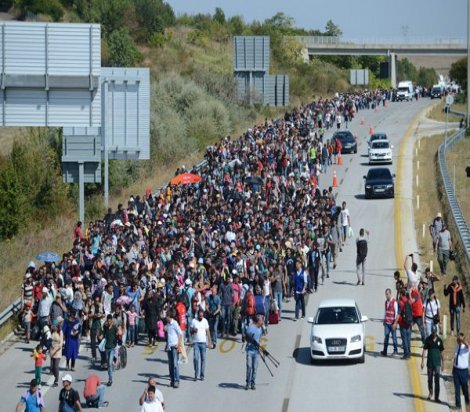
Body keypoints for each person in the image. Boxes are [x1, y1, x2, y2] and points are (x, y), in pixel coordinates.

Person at [421, 325, 444, 403]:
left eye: (435, 332)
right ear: (431, 331)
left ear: (436, 331)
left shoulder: (440, 340)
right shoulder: (428, 339)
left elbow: (441, 352)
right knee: (429, 380)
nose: (434, 333)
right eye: (433, 332)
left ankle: (437, 397)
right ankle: (430, 393)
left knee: (437, 380)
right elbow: (424, 350)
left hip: (437, 363)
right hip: (430, 363)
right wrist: (422, 362)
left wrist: (443, 363)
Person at [190, 309, 212, 381]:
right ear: (197, 315)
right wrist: (193, 330)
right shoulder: (194, 321)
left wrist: (209, 342)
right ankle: (196, 374)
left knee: (203, 359)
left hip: (203, 343)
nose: (200, 317)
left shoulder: (205, 321)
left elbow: (208, 332)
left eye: (202, 316)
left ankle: (202, 375)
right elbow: (190, 331)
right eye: (199, 316)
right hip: (196, 343)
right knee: (195, 359)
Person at [244, 314, 264, 390]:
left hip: (256, 351)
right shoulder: (250, 328)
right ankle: (247, 383)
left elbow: (260, 338)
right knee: (249, 367)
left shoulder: (260, 329)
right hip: (249, 350)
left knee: (255, 368)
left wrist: (261, 347)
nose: (262, 322)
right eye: (262, 320)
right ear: (258, 321)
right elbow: (246, 338)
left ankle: (253, 383)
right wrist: (250, 341)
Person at [165, 308, 183, 388]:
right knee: (170, 365)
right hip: (169, 346)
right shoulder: (168, 324)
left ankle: (177, 380)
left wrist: (178, 344)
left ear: (169, 316)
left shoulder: (174, 323)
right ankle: (172, 380)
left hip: (174, 346)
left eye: (166, 316)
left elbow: (180, 333)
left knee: (175, 364)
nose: (165, 317)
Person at [452, 333, 469, 410]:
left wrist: (463, 340)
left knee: (465, 387)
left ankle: (467, 401)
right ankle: (458, 405)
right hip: (456, 370)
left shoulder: (466, 348)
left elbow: (467, 345)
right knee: (457, 388)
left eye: (460, 339)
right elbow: (455, 358)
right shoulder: (457, 347)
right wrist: (453, 368)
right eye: (458, 339)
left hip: (464, 371)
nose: (458, 340)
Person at [100, 314, 117, 386]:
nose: (109, 322)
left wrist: (119, 333)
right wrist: (100, 336)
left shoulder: (114, 328)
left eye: (110, 321)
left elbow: (118, 334)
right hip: (106, 348)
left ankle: (110, 380)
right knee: (108, 364)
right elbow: (102, 335)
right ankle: (109, 377)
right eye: (108, 321)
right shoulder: (105, 327)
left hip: (112, 348)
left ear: (112, 321)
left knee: (109, 364)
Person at [381, 288, 398, 357]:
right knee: (386, 337)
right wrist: (384, 320)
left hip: (392, 323)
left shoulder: (394, 302)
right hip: (387, 323)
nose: (386, 295)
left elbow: (396, 314)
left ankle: (395, 350)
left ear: (390, 294)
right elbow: (385, 312)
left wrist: (395, 323)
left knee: (394, 337)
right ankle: (385, 351)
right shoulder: (386, 302)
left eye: (387, 294)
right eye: (386, 294)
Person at [398, 289, 412, 359]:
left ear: (400, 294)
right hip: (409, 322)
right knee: (408, 338)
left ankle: (406, 354)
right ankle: (409, 353)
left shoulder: (400, 302)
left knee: (404, 339)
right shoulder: (408, 301)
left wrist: (395, 322)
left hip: (402, 322)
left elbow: (398, 313)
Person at [50, 320, 63, 387]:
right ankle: (56, 376)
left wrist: (55, 351)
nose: (53, 327)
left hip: (57, 351)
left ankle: (56, 381)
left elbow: (60, 344)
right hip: (52, 351)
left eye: (54, 326)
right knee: (52, 368)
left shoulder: (60, 332)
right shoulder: (52, 332)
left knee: (56, 366)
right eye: (52, 326)